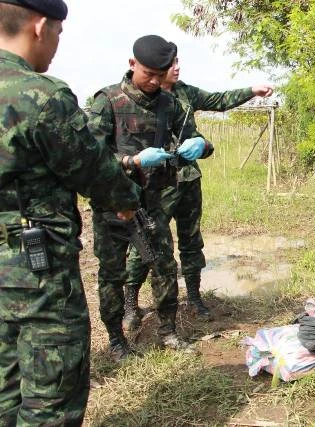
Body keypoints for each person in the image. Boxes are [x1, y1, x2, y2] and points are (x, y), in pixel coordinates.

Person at [0, 0, 142, 423]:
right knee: (51, 396)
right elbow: (94, 170)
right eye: (59, 34)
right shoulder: (41, 96)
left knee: (5, 386)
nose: (57, 45)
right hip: (34, 269)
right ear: (40, 26)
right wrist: (125, 201)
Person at [122, 55, 274, 328]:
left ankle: (193, 296)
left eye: (179, 61)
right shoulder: (136, 99)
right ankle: (130, 303)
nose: (176, 68)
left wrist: (252, 91)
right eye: (170, 65)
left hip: (188, 177)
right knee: (145, 242)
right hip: (155, 183)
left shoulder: (185, 93)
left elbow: (219, 100)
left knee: (191, 240)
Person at [87, 35, 210, 360]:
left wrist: (201, 145)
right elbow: (88, 158)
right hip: (114, 204)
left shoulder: (169, 105)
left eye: (161, 74)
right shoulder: (108, 100)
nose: (155, 81)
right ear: (132, 65)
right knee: (112, 275)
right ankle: (117, 340)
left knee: (165, 267)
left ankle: (168, 331)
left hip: (154, 204)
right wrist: (132, 161)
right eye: (148, 74)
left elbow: (191, 139)